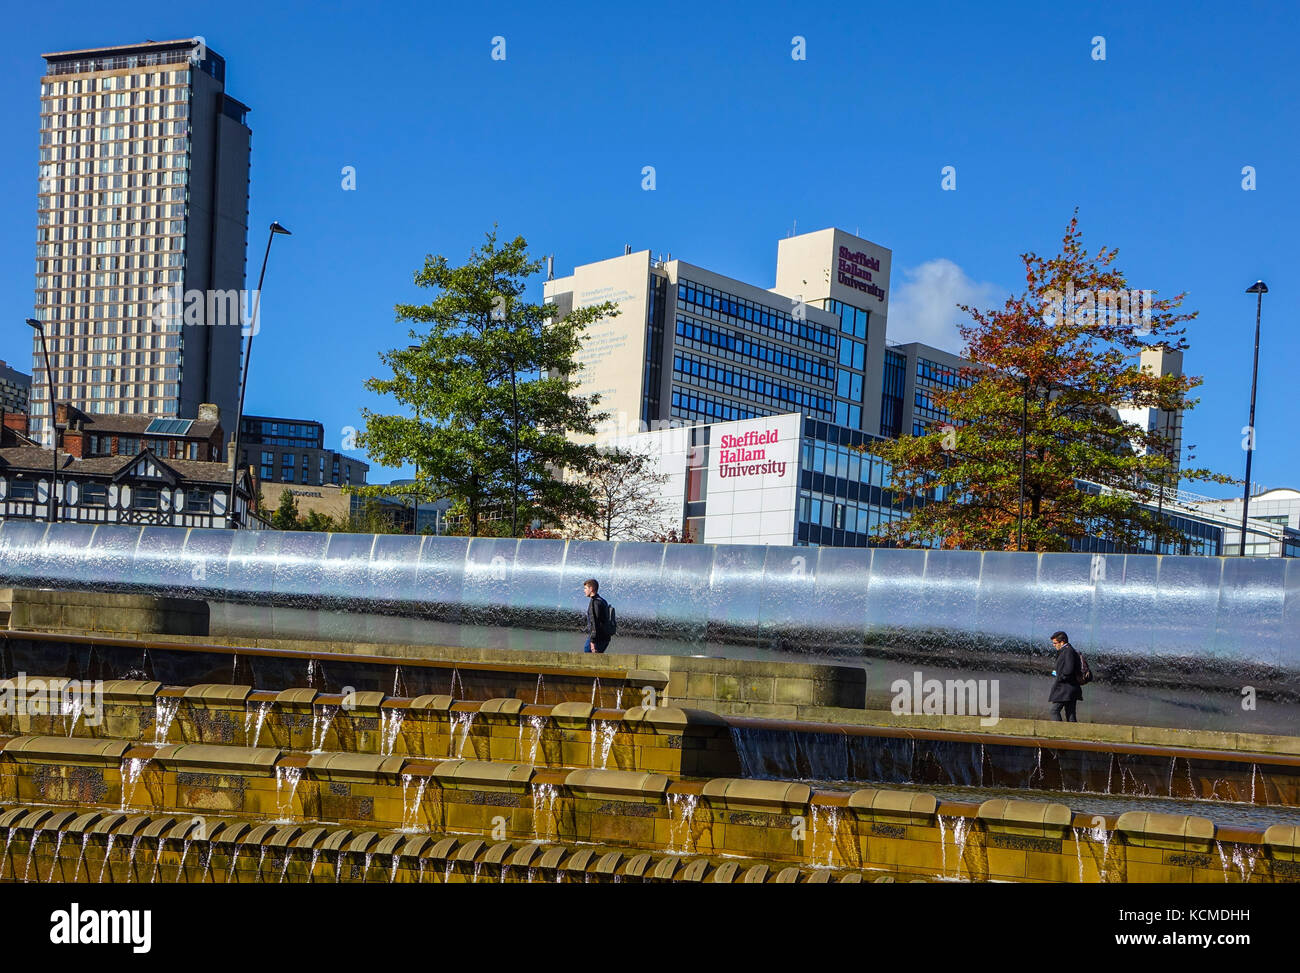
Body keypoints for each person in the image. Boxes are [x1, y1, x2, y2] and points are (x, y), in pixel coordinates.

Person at [1048, 630, 1082, 722]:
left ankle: (1058, 732)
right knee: (1070, 714)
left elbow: (1069, 669)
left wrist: (1060, 677)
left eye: (1055, 643)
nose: (1054, 645)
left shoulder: (1068, 651)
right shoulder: (1067, 650)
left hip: (1065, 689)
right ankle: (1073, 734)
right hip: (1069, 688)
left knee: (1054, 711)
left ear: (1062, 642)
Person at [582, 579, 612, 654]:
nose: (584, 590)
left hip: (598, 638)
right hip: (605, 637)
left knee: (587, 651)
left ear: (591, 589)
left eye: (585, 588)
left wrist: (592, 642)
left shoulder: (595, 603)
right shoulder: (602, 600)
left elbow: (595, 623)